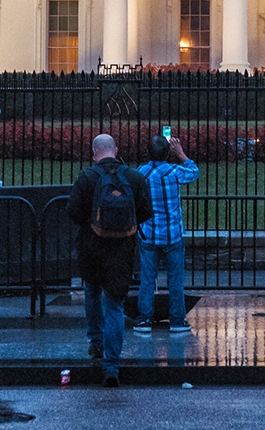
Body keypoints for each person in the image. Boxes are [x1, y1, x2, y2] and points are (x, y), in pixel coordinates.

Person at [67, 133, 151, 386]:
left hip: (91, 247)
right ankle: (112, 365)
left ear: (95, 152)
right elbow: (145, 212)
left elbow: (73, 213)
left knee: (92, 292)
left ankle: (96, 342)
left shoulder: (87, 177)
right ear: (116, 149)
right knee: (115, 305)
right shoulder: (135, 178)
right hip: (122, 250)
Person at [134, 134, 199, 335]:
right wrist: (181, 154)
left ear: (148, 152)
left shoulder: (140, 173)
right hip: (173, 235)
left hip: (148, 235)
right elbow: (194, 172)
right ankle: (177, 320)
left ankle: (144, 319)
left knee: (147, 278)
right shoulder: (174, 172)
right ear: (167, 153)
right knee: (175, 279)